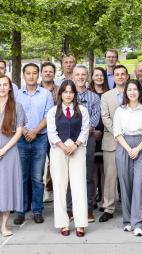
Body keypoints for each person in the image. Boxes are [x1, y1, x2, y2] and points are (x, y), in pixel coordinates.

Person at [47, 80, 89, 237]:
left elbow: (85, 130)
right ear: (60, 94)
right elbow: (52, 132)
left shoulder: (82, 110)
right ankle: (63, 223)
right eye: (65, 92)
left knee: (79, 186)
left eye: (71, 92)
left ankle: (80, 223)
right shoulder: (52, 111)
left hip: (77, 149)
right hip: (59, 150)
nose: (68, 95)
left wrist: (75, 145)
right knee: (59, 186)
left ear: (74, 94)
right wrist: (63, 146)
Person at [113, 79, 142, 236]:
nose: (132, 92)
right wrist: (128, 148)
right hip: (123, 146)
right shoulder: (120, 110)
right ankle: (127, 221)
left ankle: (138, 223)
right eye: (129, 89)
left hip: (141, 146)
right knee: (125, 184)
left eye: (135, 89)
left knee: (139, 185)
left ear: (140, 92)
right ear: (126, 92)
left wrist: (137, 149)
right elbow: (117, 132)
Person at [14, 63, 54, 225]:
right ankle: (21, 211)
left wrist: (35, 131)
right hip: (21, 139)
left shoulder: (46, 94)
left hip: (40, 138)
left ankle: (37, 210)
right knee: (22, 177)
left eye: (34, 73)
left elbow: (48, 116)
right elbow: (14, 114)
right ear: (24, 75)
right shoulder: (16, 94)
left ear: (38, 75)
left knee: (37, 178)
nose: (31, 76)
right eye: (28, 73)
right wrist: (24, 130)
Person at [67, 65, 100, 223]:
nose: (80, 77)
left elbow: (93, 121)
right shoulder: (67, 94)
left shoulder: (94, 97)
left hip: (87, 140)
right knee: (69, 175)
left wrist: (80, 135)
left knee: (87, 175)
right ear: (72, 75)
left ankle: (88, 209)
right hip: (67, 140)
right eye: (77, 74)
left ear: (87, 77)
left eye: (83, 75)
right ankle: (70, 209)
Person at [99, 65, 129, 222]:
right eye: (117, 74)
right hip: (112, 141)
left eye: (123, 74)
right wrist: (118, 134)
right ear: (113, 77)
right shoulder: (106, 96)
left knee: (129, 176)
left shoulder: (133, 93)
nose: (120, 77)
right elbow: (105, 117)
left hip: (131, 142)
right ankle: (109, 208)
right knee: (110, 177)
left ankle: (129, 206)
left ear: (127, 76)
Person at [0, 76, 25, 237]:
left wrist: (3, 150)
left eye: (4, 85)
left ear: (10, 87)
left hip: (9, 152)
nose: (1, 87)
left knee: (6, 187)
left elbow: (19, 132)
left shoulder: (17, 106)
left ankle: (4, 225)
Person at [89, 67, 109, 210]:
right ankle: (93, 198)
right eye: (96, 75)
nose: (99, 78)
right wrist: (92, 131)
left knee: (104, 169)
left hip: (106, 134)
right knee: (93, 168)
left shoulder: (109, 93)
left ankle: (103, 199)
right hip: (91, 134)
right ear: (92, 77)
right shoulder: (89, 95)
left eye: (101, 75)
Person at [40, 62, 59, 203]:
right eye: (45, 71)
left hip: (55, 132)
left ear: (54, 73)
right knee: (39, 164)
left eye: (50, 71)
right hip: (39, 132)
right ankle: (44, 191)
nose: (48, 73)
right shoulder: (35, 88)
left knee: (55, 162)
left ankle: (53, 190)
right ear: (41, 73)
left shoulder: (59, 90)